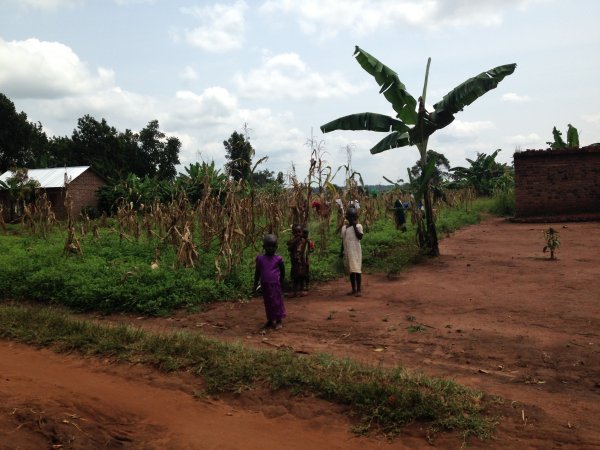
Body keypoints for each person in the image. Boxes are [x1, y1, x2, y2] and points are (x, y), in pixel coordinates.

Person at [253, 234, 286, 330]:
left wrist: (281, 283)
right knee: (268, 303)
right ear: (264, 247)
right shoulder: (260, 259)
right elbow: (257, 272)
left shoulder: (278, 259)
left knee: (277, 302)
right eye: (269, 246)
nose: (271, 249)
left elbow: (283, 271)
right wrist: (255, 284)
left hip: (275, 285)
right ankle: (270, 320)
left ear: (276, 247)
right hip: (265, 285)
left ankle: (279, 320)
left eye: (273, 247)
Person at [341, 207, 363, 296]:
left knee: (357, 270)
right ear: (347, 217)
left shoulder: (358, 226)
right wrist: (341, 252)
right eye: (350, 217)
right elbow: (343, 241)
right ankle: (353, 289)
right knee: (351, 271)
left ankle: (359, 290)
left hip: (356, 251)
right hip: (348, 251)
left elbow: (360, 237)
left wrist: (354, 226)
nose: (352, 219)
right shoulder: (344, 228)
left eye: (354, 217)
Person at [286, 224, 308, 297]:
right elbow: (289, 246)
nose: (297, 234)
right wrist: (295, 240)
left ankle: (301, 290)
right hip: (294, 261)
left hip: (301, 261)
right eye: (295, 232)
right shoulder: (294, 240)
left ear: (302, 232)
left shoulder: (303, 240)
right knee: (294, 276)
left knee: (301, 275)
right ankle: (294, 291)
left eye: (299, 232)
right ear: (293, 233)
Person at [302, 226, 314, 294]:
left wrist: (309, 251)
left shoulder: (309, 241)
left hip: (307, 258)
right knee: (302, 271)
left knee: (306, 272)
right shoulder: (301, 240)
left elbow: (312, 249)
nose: (305, 235)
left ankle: (307, 285)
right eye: (304, 233)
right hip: (301, 258)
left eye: (306, 234)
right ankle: (303, 285)